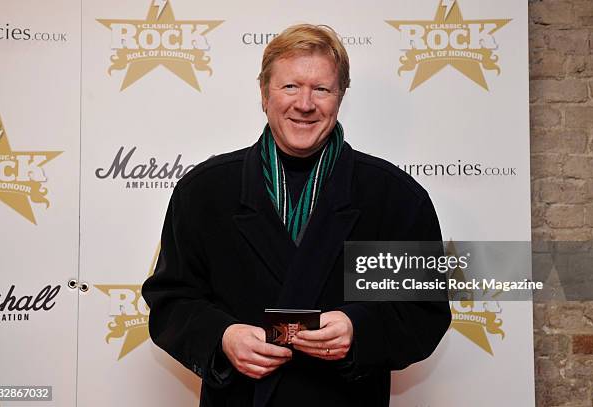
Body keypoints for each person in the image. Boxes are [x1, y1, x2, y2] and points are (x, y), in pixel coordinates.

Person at [142, 24, 450, 407]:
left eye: (321, 89)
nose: (304, 103)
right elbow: (171, 300)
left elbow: (423, 313)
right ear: (264, 94)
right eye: (290, 87)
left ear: (340, 97)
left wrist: (359, 330)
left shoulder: (393, 197)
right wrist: (223, 336)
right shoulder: (204, 191)